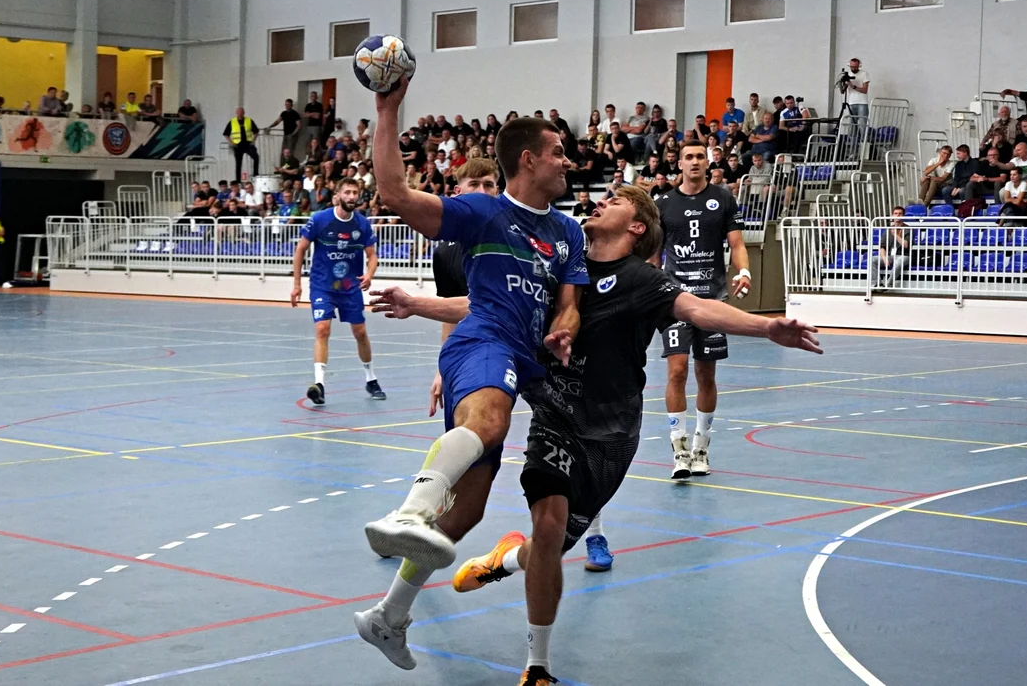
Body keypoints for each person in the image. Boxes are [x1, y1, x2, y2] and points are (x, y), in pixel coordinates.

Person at [381, 185, 820, 686]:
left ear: (636, 227)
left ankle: (505, 559)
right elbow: (487, 304)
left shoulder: (642, 280)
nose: (602, 201)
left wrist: (767, 328)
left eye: (616, 201)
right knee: (548, 529)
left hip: (610, 435)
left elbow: (698, 309)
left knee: (546, 549)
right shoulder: (559, 265)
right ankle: (538, 666)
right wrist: (416, 303)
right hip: (553, 418)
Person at [355, 81, 588, 671]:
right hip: (482, 342)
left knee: (466, 513)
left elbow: (569, 304)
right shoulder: (485, 213)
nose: (568, 161)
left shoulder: (567, 232)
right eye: (558, 152)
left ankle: (387, 617)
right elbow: (395, 193)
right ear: (528, 160)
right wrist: (387, 109)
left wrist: (564, 328)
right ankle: (410, 510)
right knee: (489, 420)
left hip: (522, 358)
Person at [426, 158, 615, 574]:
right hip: (496, 350)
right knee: (475, 444)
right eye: (475, 184)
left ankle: (594, 534)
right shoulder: (450, 250)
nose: (484, 191)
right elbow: (464, 310)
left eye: (489, 183)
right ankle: (423, 520)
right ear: (457, 191)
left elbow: (563, 300)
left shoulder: (539, 232)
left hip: (550, 353)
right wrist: (444, 368)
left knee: (578, 444)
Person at [656, 142, 750, 479]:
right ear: (679, 163)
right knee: (677, 371)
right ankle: (679, 450)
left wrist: (743, 271)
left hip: (712, 300)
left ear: (707, 162)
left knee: (706, 375)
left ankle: (701, 449)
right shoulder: (663, 203)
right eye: (689, 157)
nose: (695, 161)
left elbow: (737, 244)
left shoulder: (723, 198)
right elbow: (653, 254)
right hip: (675, 300)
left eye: (700, 156)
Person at [287, 177, 383, 405]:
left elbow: (372, 256)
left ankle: (371, 379)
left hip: (349, 287)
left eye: (355, 193)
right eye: (347, 192)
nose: (351, 196)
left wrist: (369, 274)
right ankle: (319, 384)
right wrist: (297, 284)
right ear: (337, 195)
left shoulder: (362, 224)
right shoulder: (319, 220)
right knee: (322, 329)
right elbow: (300, 250)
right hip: (323, 286)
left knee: (360, 332)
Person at [224, 107, 260, 181]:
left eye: (242, 112)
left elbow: (256, 132)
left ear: (244, 113)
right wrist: (232, 143)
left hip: (248, 144)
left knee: (256, 157)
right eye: (239, 112)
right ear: (236, 113)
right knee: (238, 163)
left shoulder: (249, 120)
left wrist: (253, 141)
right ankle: (238, 180)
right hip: (238, 145)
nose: (240, 113)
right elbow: (226, 134)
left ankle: (255, 174)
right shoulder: (232, 122)